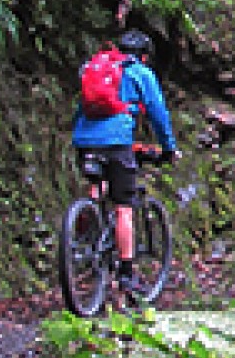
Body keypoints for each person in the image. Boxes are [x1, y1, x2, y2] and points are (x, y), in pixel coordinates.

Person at [71, 29, 180, 297]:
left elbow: (82, 107)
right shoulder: (140, 73)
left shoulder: (98, 68)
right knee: (124, 207)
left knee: (98, 184)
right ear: (144, 56)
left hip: (84, 139)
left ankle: (83, 236)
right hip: (117, 141)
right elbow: (157, 113)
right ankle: (127, 274)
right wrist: (168, 148)